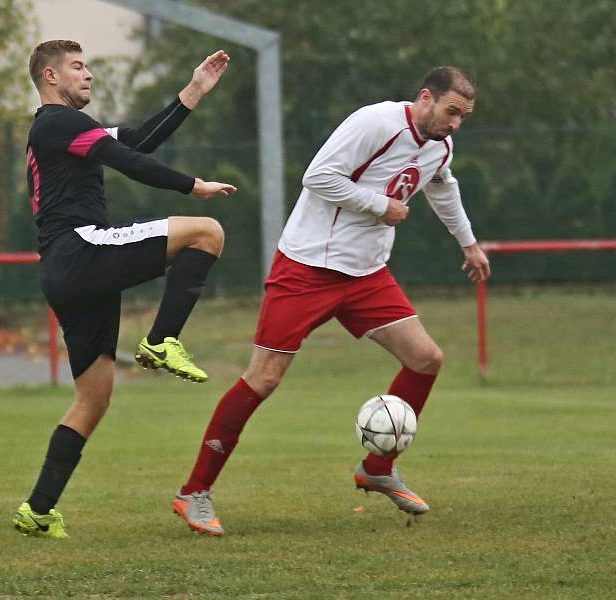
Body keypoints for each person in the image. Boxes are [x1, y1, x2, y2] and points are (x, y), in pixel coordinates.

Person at [173, 66, 491, 536]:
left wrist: (468, 244)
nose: (456, 124)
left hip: (367, 274)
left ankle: (378, 468)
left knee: (426, 359)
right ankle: (194, 492)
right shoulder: (376, 123)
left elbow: (443, 185)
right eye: (451, 112)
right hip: (307, 266)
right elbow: (317, 176)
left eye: (464, 116)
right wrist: (380, 206)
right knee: (264, 377)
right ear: (426, 98)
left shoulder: (440, 146)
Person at [12, 40, 237, 538]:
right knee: (207, 232)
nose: (88, 74)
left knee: (92, 400)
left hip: (64, 272)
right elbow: (130, 162)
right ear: (51, 77)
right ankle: (160, 341)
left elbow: (136, 141)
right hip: (82, 250)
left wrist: (193, 91)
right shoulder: (58, 122)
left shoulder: (60, 129)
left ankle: (38, 509)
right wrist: (192, 185)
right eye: (77, 66)